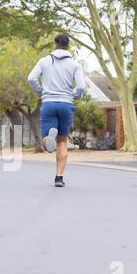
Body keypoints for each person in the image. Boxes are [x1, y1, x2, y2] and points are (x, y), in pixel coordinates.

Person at [28, 34, 86, 187]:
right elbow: (81, 86)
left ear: (55, 44)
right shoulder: (75, 64)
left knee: (47, 140)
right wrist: (75, 95)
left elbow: (31, 78)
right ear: (68, 46)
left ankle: (48, 139)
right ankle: (59, 178)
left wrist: (41, 91)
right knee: (62, 142)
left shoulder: (44, 61)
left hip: (49, 103)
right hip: (66, 104)